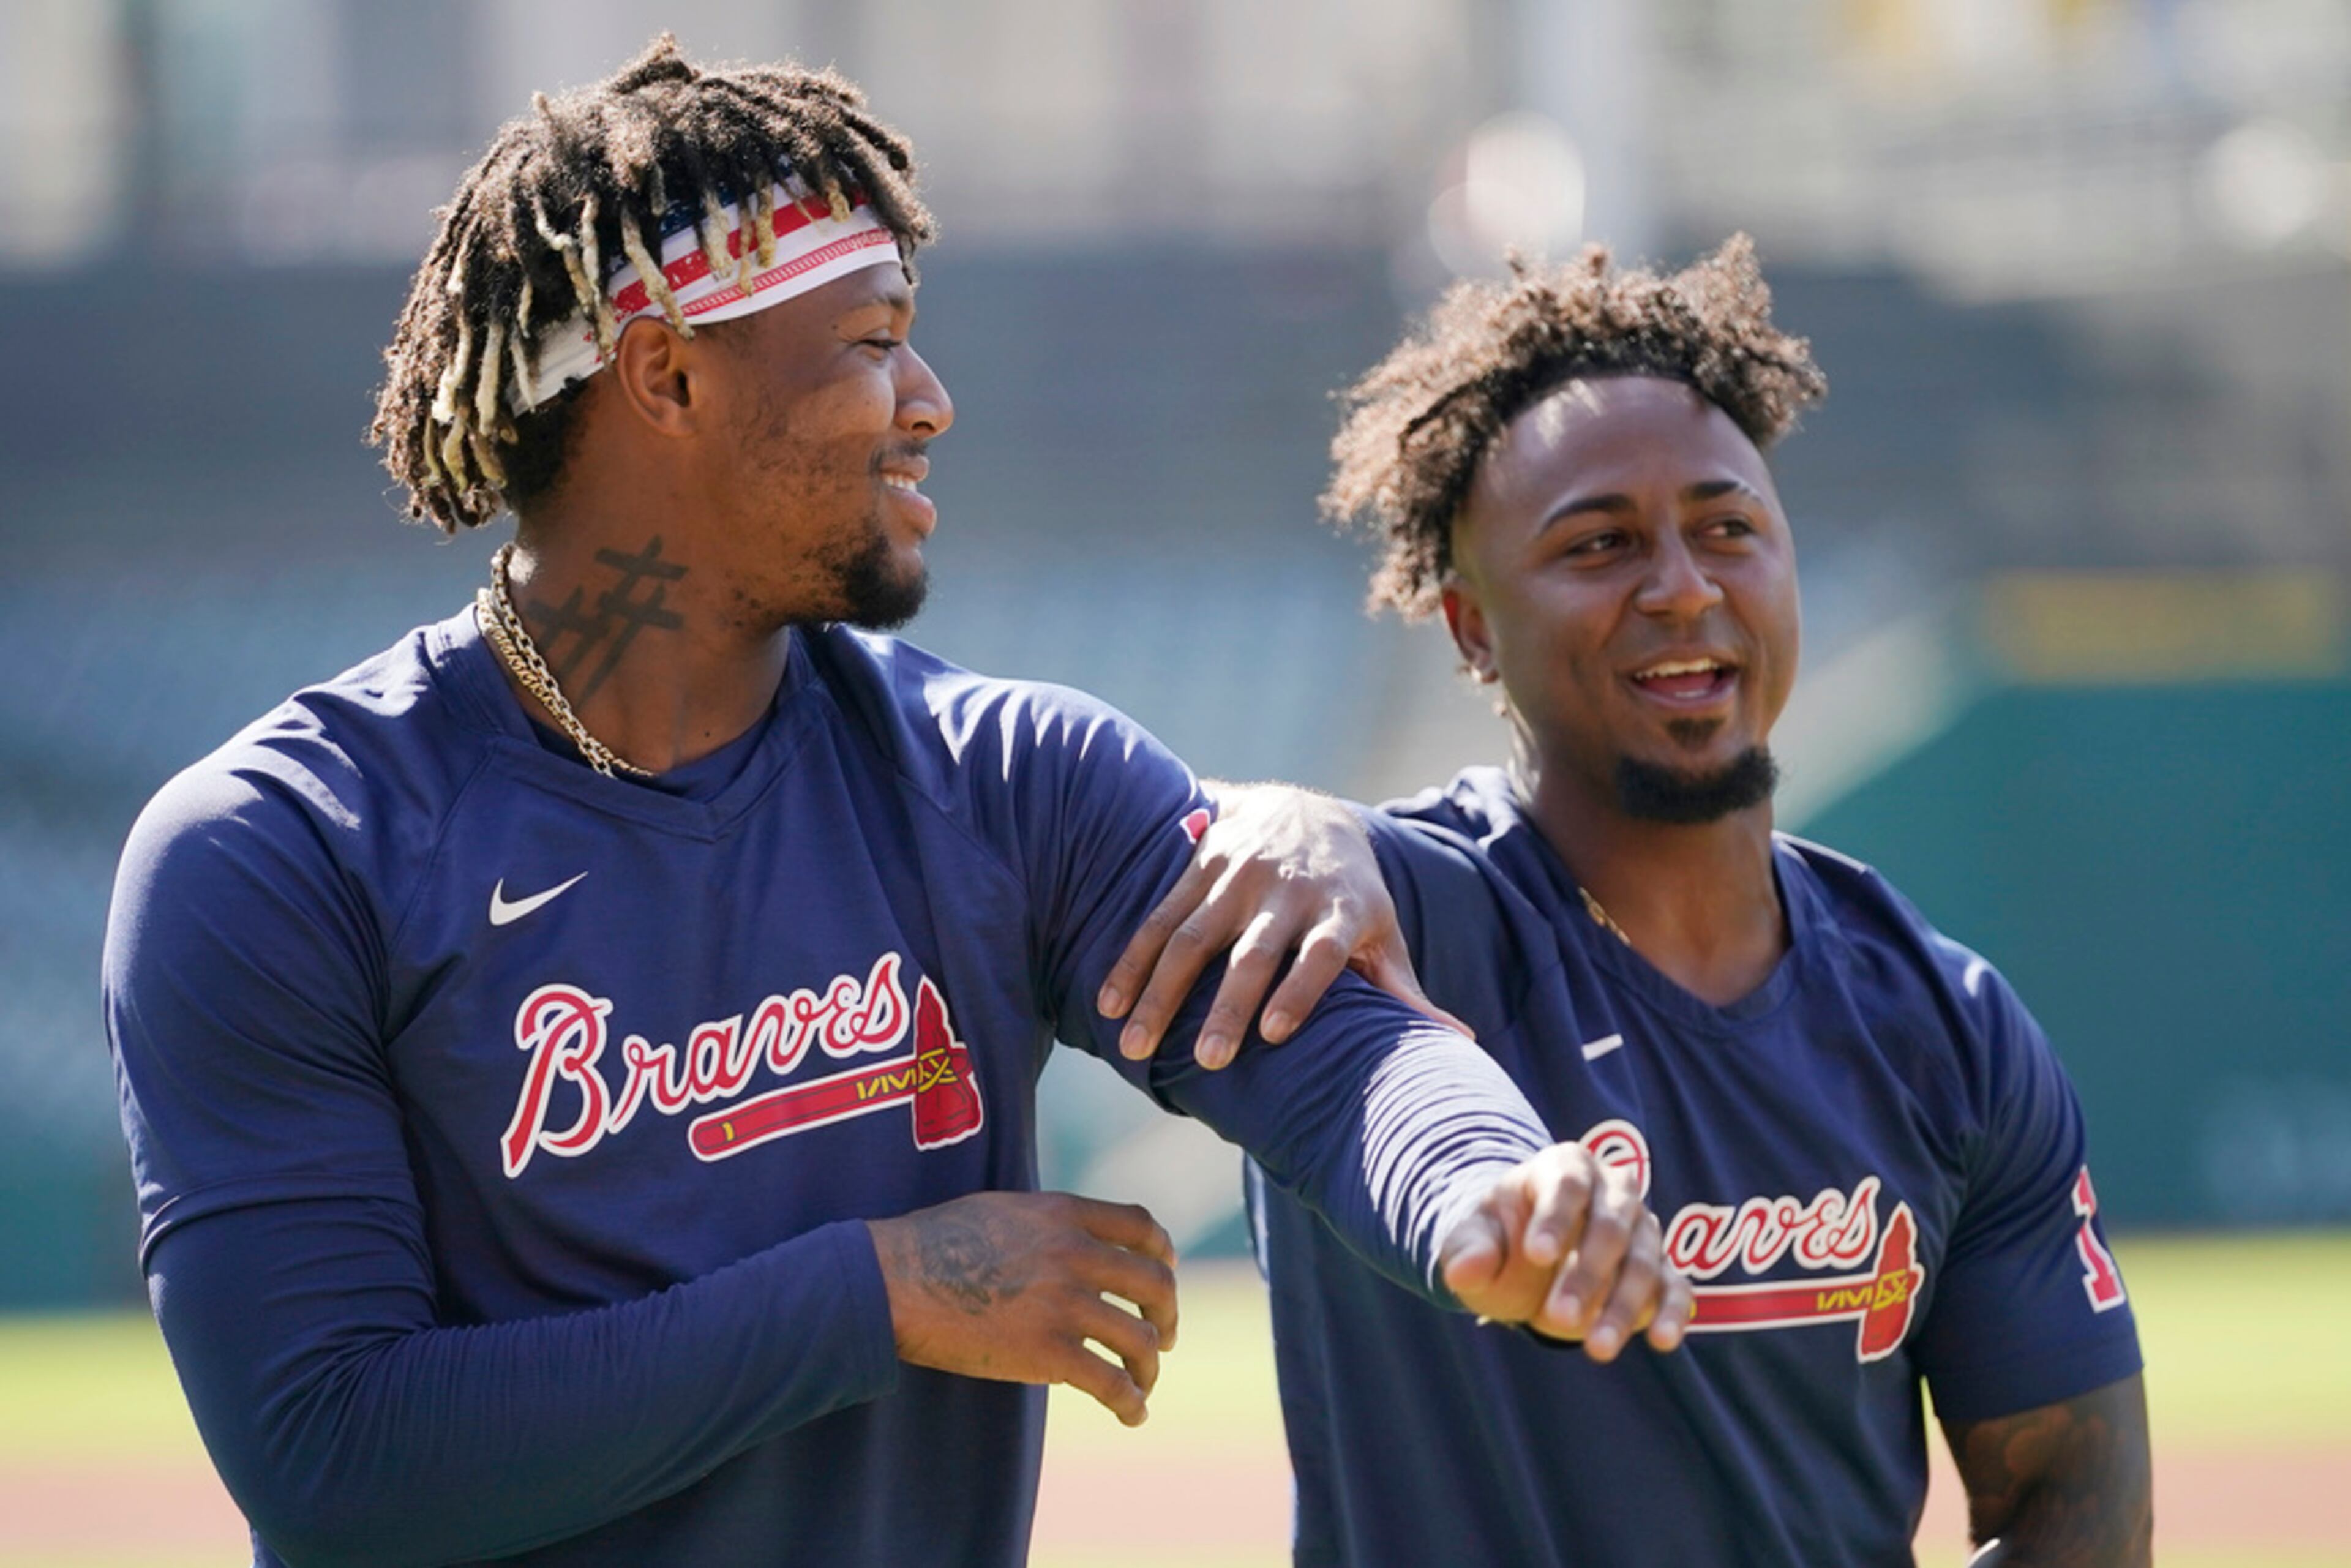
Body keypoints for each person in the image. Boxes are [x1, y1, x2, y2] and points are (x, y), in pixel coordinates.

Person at [100, 40, 1691, 1568]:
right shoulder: (281, 849)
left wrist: (1488, 1186)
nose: (929, 399)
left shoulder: (1012, 784)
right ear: (666, 375)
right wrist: (884, 1292)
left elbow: (1338, 1047)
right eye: (870, 343)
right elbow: (334, 1455)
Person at [1105, 239, 2152, 1566]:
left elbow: (2079, 1505)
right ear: (1470, 627)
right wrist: (1285, 818)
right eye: (1601, 544)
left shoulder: (1948, 1024)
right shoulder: (1385, 933)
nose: (1682, 586)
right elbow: (1282, 852)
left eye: (1729, 530)